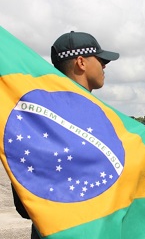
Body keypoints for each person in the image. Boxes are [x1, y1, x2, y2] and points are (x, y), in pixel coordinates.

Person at [12, 31, 119, 239]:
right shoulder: (95, 117)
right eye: (100, 59)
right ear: (81, 62)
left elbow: (25, 202)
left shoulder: (38, 117)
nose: (105, 66)